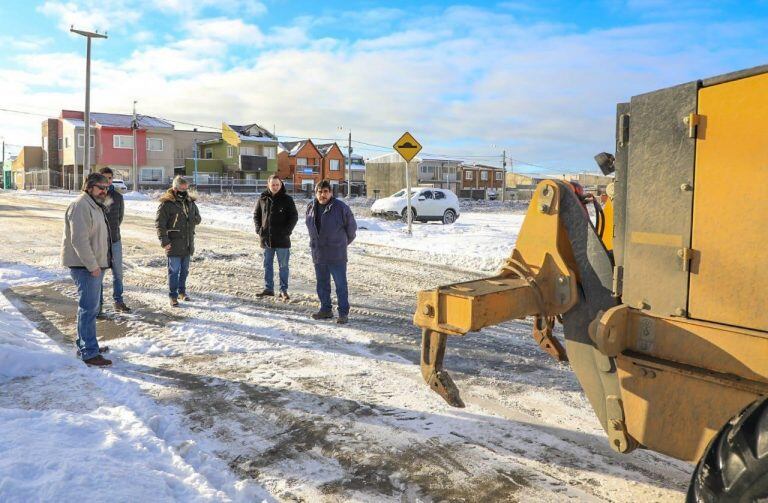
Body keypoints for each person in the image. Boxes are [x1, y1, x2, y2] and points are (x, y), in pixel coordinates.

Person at [61, 172, 113, 366]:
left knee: (91, 308)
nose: (104, 190)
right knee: (88, 309)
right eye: (101, 187)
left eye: (106, 187)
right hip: (85, 266)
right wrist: (93, 266)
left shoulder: (95, 205)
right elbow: (79, 241)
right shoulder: (81, 205)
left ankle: (87, 344)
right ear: (89, 187)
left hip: (95, 265)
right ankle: (89, 353)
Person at [305, 179, 357, 324]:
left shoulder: (341, 207)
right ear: (315, 193)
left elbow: (351, 230)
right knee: (322, 284)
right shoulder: (310, 207)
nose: (323, 195)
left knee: (340, 285)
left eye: (326, 192)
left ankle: (343, 313)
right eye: (320, 192)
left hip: (336, 254)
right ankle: (326, 310)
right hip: (319, 253)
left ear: (331, 193)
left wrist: (341, 244)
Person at [155, 176, 201, 307]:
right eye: (182, 189)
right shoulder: (166, 204)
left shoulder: (190, 202)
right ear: (175, 189)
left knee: (185, 270)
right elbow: (160, 224)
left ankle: (182, 292)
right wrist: (164, 241)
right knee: (174, 271)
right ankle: (173, 296)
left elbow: (198, 218)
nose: (184, 191)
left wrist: (192, 218)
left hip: (187, 242)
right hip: (173, 243)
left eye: (186, 189)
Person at [253, 174, 298, 300]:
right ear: (268, 185)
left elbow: (294, 216)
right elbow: (256, 215)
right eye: (273, 184)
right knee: (267, 264)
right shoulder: (262, 198)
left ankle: (283, 290)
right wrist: (259, 230)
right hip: (266, 239)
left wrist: (287, 231)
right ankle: (269, 288)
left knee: (283, 266)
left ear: (281, 185)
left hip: (282, 240)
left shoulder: (287, 199)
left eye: (277, 184)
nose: (275, 186)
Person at [98, 167, 131, 313]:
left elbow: (120, 218)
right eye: (104, 178)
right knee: (98, 275)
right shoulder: (94, 197)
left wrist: (113, 231)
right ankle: (98, 305)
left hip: (115, 241)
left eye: (110, 178)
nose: (107, 181)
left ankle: (118, 301)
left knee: (118, 273)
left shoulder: (118, 197)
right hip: (99, 243)